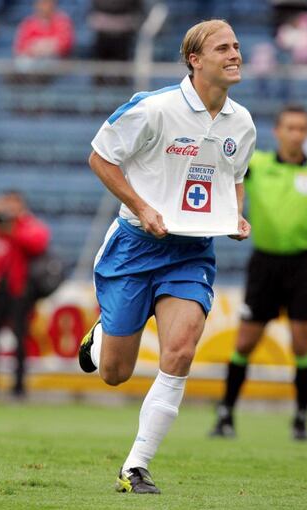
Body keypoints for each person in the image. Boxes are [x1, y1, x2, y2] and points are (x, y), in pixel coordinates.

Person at [78, 19, 256, 494]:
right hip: (135, 246)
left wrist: (235, 217)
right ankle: (102, 336)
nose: (235, 54)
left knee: (180, 351)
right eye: (223, 48)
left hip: (191, 251)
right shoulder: (154, 109)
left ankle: (135, 466)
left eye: (237, 46)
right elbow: (100, 156)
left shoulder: (242, 121)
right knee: (115, 374)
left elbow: (233, 176)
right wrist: (141, 207)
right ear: (195, 59)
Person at [210, 105, 307, 441]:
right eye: (290, 127)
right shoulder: (257, 166)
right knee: (245, 341)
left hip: (303, 266)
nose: (296, 134)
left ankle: (300, 419)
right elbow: (228, 179)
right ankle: (225, 414)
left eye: (302, 128)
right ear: (278, 132)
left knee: (301, 343)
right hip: (264, 263)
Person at [0, 191, 50, 396]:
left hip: (20, 291)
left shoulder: (28, 225)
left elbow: (37, 243)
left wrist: (13, 227)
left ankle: (18, 386)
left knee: (20, 337)